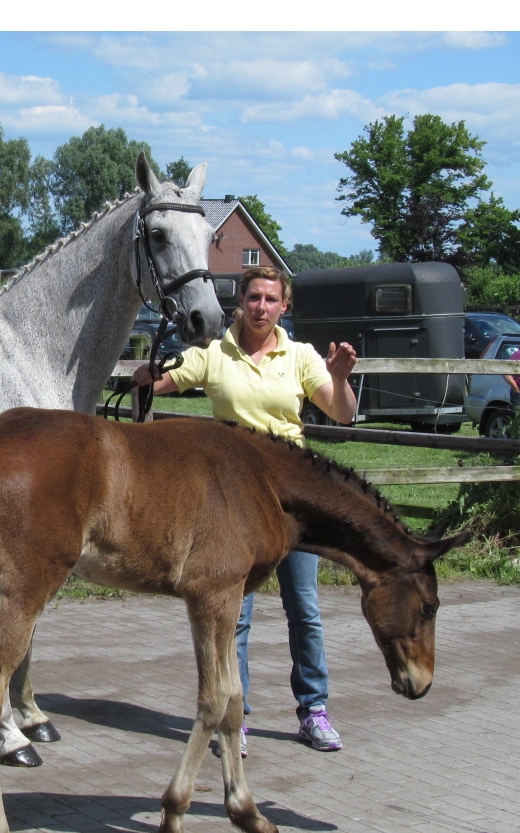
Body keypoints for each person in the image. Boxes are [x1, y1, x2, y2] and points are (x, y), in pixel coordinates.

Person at [133, 266, 358, 754]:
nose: (260, 306)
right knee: (233, 614)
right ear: (240, 303)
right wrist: (149, 375)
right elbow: (163, 380)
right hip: (234, 502)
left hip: (292, 499)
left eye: (270, 299)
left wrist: (338, 379)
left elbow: (342, 411)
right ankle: (237, 715)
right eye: (253, 297)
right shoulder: (217, 354)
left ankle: (314, 710)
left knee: (305, 608)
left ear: (284, 306)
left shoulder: (300, 356)